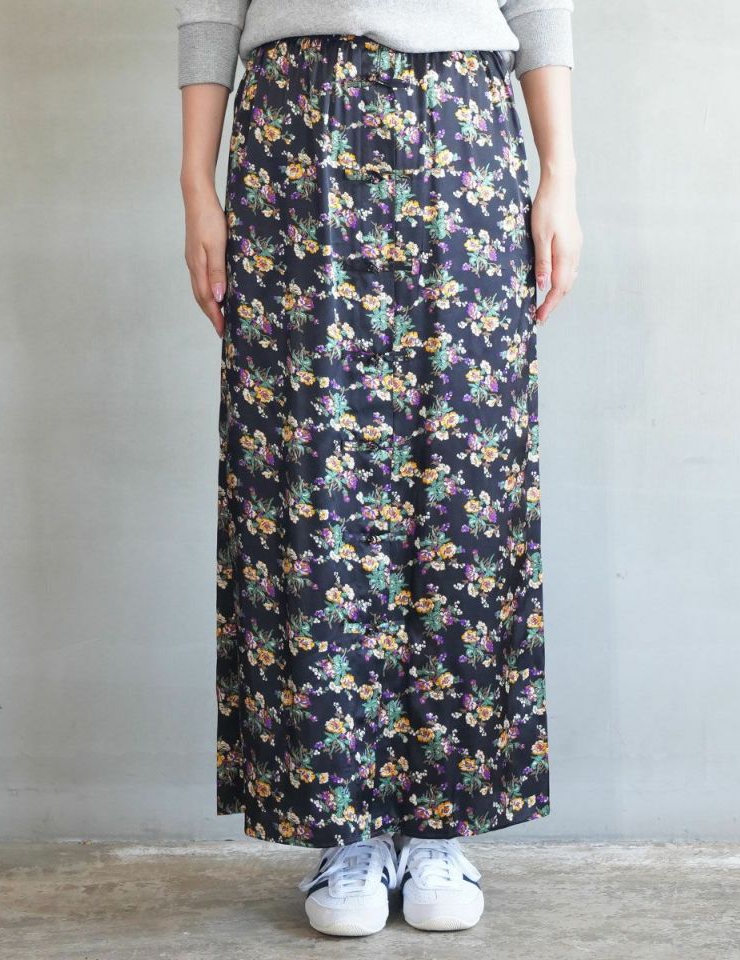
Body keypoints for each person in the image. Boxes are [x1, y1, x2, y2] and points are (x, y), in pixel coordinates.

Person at [174, 0, 581, 937]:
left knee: (468, 464)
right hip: (292, 127)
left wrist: (559, 176)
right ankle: (342, 825)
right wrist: (196, 182)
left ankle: (440, 821)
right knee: (309, 476)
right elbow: (209, 7)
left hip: (464, 118)